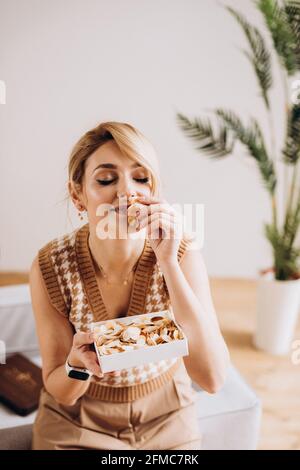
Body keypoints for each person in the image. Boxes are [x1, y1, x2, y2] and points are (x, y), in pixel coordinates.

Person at [29, 121, 230, 450]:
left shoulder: (181, 253)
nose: (126, 192)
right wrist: (77, 366)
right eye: (106, 179)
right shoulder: (50, 266)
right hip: (77, 419)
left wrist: (168, 263)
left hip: (166, 412)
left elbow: (213, 379)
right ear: (78, 195)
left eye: (140, 178)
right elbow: (60, 390)